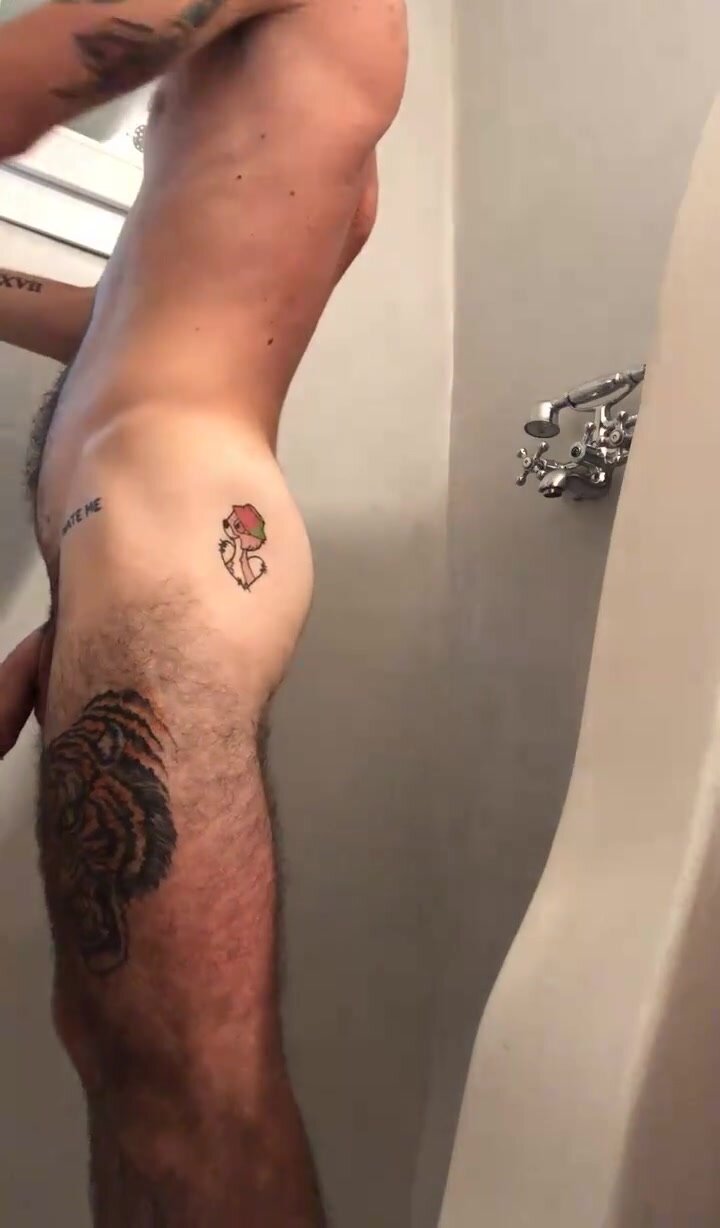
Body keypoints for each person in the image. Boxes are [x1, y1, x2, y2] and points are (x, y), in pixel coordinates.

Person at [0, 0, 408, 1221]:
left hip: (170, 538)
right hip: (142, 549)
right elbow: (129, 319)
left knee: (186, 1082)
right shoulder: (273, 107)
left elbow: (20, 80)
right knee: (123, 1047)